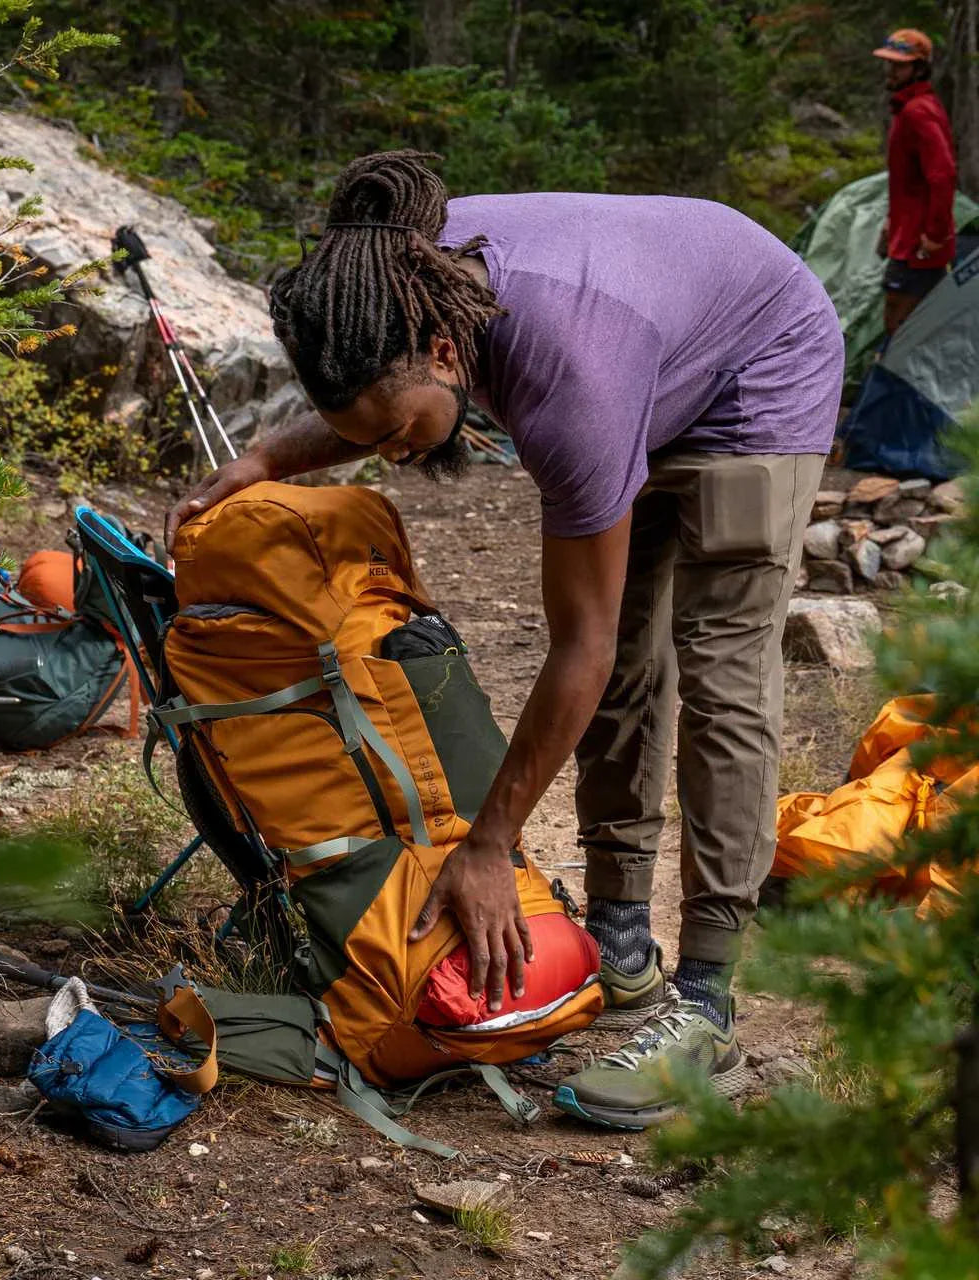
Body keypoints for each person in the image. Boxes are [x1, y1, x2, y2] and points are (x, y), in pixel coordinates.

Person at [166, 151, 844, 1129]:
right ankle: (619, 938)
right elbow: (374, 402)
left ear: (446, 354)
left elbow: (578, 647)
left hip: (760, 350)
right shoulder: (392, 281)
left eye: (396, 431)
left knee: (717, 673)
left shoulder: (569, 382)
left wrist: (488, 844)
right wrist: (268, 455)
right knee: (624, 665)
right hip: (651, 347)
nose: (393, 453)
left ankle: (705, 1006)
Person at [873, 28, 957, 337]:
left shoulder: (918, 112)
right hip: (906, 238)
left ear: (919, 68)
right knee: (902, 326)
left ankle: (893, 384)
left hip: (917, 249)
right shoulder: (908, 109)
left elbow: (943, 174)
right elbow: (911, 184)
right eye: (889, 64)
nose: (891, 71)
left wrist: (934, 235)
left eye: (899, 65)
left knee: (901, 329)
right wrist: (892, 222)